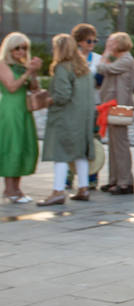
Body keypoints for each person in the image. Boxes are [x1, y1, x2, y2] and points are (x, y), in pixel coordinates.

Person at [38, 34, 95, 206]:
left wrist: (48, 100)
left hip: (66, 117)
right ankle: (83, 188)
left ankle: (58, 191)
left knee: (61, 153)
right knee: (80, 153)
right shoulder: (83, 67)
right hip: (82, 118)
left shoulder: (63, 67)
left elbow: (62, 96)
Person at [0, 32, 41, 204]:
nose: (21, 51)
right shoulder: (2, 64)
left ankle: (17, 188)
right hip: (10, 110)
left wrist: (32, 73)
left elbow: (35, 89)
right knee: (12, 146)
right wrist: (27, 73)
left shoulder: (22, 66)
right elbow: (11, 87)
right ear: (9, 48)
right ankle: (9, 189)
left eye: (24, 48)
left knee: (24, 145)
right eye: (17, 48)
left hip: (24, 111)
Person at [97, 32, 134, 195]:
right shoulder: (119, 59)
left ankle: (125, 181)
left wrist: (106, 53)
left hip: (120, 107)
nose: (108, 44)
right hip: (111, 105)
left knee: (120, 144)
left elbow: (103, 68)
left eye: (111, 42)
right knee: (113, 144)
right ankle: (114, 179)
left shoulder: (126, 60)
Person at [69, 23, 101, 191]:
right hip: (73, 106)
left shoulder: (97, 58)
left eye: (94, 41)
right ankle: (68, 177)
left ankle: (92, 177)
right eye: (89, 41)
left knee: (93, 142)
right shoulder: (70, 58)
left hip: (93, 105)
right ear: (79, 42)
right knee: (71, 141)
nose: (92, 44)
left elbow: (101, 81)